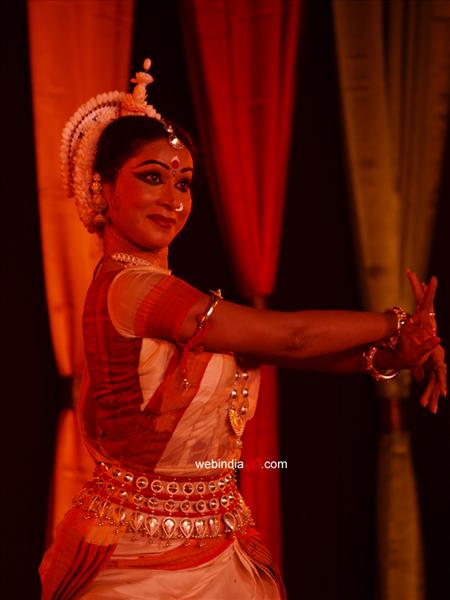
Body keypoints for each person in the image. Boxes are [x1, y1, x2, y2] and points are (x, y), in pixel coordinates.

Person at [39, 60, 446, 600]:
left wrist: (391, 356)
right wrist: (394, 321)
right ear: (104, 189)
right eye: (151, 177)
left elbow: (292, 356)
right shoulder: (133, 289)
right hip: (142, 567)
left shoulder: (170, 294)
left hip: (218, 549)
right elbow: (290, 336)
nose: (173, 198)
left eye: (183, 182)